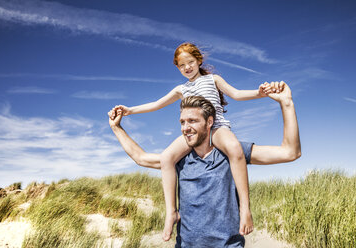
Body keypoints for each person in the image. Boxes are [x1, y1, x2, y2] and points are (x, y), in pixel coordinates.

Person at [111, 42, 276, 240]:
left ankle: (245, 209)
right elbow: (156, 104)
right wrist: (130, 110)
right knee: (166, 158)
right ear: (178, 68)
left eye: (190, 62)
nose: (187, 67)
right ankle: (171, 212)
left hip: (217, 128)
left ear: (199, 61)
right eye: (182, 65)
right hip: (194, 132)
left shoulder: (212, 79)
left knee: (234, 149)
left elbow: (236, 94)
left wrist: (260, 93)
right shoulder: (181, 89)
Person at [108, 82, 301, 247]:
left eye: (192, 121)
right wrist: (116, 128)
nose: (186, 128)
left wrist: (286, 103)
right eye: (182, 122)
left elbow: (290, 152)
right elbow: (141, 158)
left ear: (210, 122)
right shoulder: (178, 159)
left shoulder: (231, 153)